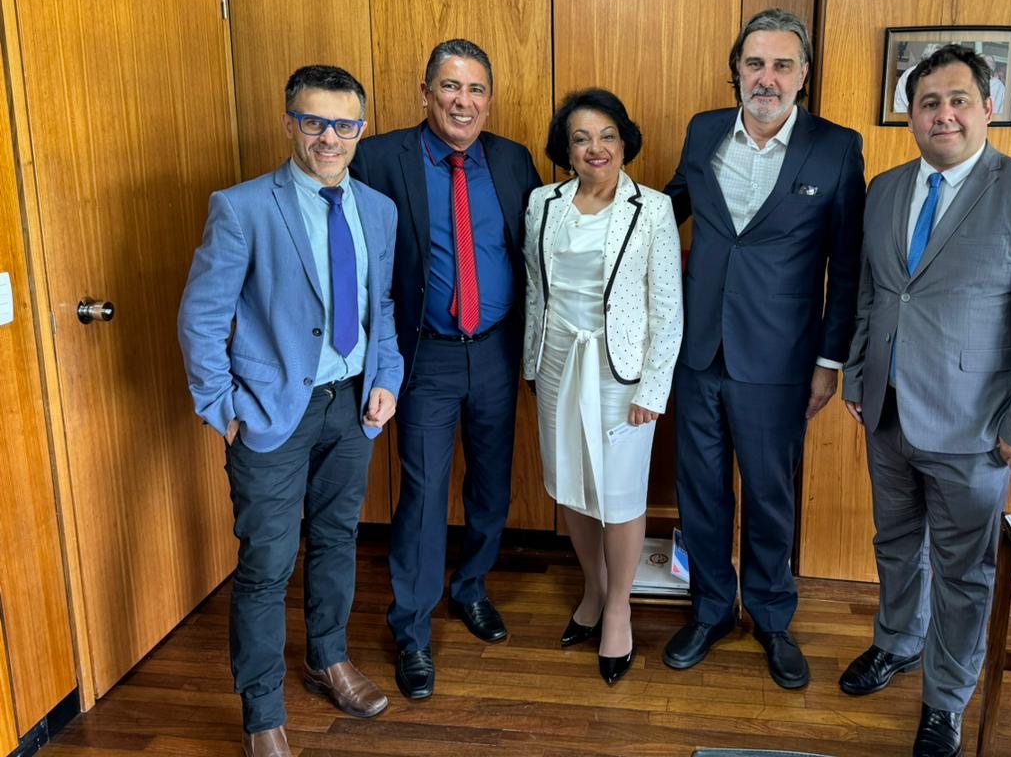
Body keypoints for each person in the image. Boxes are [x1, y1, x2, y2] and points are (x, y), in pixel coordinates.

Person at [841, 45, 1011, 757]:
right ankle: (898, 642)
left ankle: (946, 699)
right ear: (910, 116)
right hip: (886, 412)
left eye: (957, 100)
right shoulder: (885, 189)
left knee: (963, 571)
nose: (943, 115)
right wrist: (857, 376)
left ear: (987, 108)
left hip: (975, 428)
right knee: (894, 545)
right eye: (928, 103)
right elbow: (872, 293)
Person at [178, 65, 402, 757]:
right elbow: (201, 316)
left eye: (344, 124)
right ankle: (262, 714)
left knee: (336, 540)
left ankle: (328, 658)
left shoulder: (378, 209)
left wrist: (386, 376)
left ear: (361, 129)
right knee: (267, 564)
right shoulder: (242, 207)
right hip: (271, 414)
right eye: (314, 122)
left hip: (353, 406)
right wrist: (222, 407)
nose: (329, 138)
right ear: (289, 124)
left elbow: (381, 305)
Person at [662, 8, 865, 689]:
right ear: (737, 71)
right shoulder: (703, 131)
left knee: (771, 497)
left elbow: (848, 265)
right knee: (700, 491)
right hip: (697, 352)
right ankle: (711, 610)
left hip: (781, 362)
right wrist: (594, 211)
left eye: (782, 65)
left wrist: (829, 363)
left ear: (803, 74)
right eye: (755, 63)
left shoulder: (836, 148)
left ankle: (773, 618)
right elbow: (666, 212)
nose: (767, 78)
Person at [349, 39, 541, 701]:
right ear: (426, 92)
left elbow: (533, 253)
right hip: (423, 353)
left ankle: (472, 587)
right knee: (425, 491)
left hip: (495, 350)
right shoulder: (380, 159)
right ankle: (411, 629)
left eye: (476, 89)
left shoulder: (513, 160)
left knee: (491, 483)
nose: (464, 101)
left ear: (489, 99)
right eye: (451, 87)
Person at [522, 88, 683, 685]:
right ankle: (593, 588)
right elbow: (536, 291)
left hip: (623, 377)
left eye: (607, 135)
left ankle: (619, 610)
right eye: (582, 138)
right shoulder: (543, 204)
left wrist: (653, 390)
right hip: (557, 364)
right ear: (566, 150)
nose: (596, 148)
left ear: (624, 142)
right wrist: (532, 365)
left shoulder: (653, 209)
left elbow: (667, 307)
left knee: (619, 494)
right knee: (571, 484)